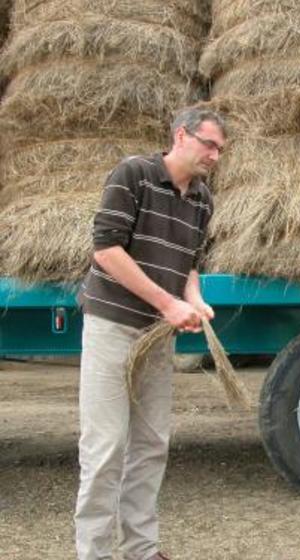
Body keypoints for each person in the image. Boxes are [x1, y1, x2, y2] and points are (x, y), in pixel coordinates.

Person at [74, 106, 227, 560]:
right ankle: (95, 554)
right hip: (113, 326)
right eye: (209, 144)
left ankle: (141, 549)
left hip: (158, 335)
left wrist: (193, 298)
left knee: (151, 444)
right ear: (181, 136)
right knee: (105, 447)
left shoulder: (202, 199)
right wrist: (168, 303)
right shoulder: (133, 174)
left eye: (220, 149)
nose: (216, 155)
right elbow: (106, 250)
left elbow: (190, 263)